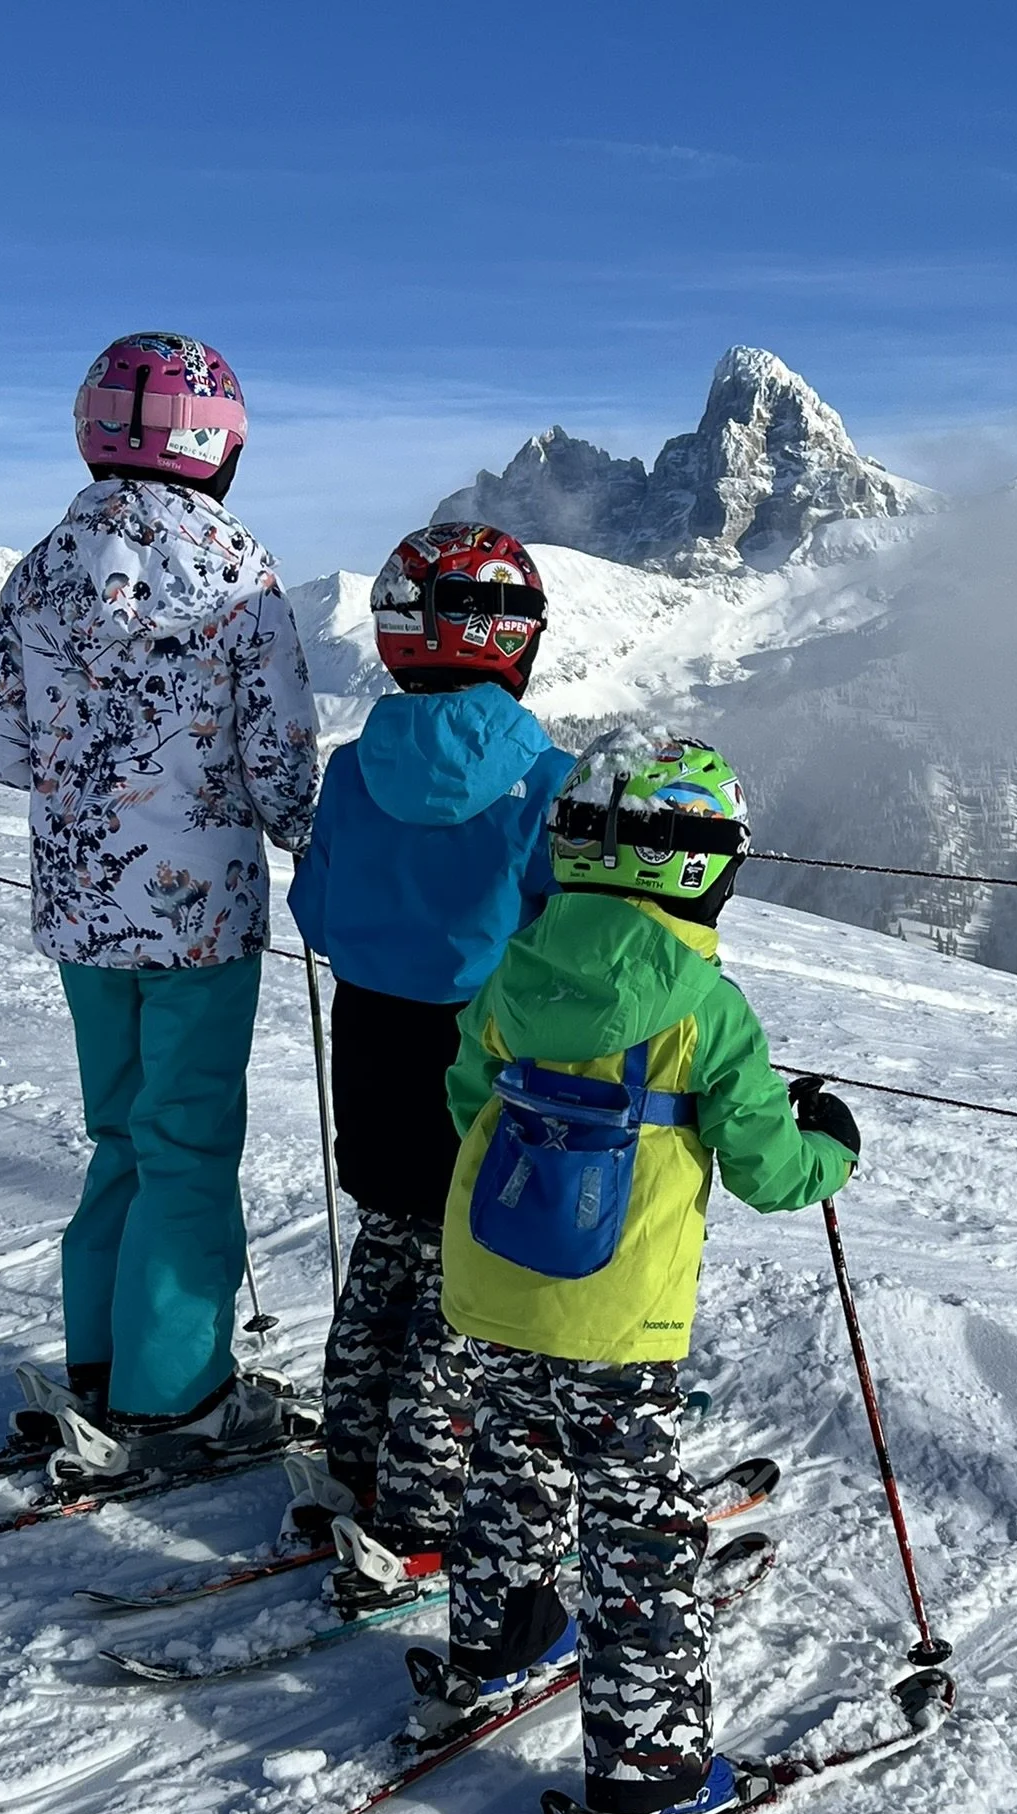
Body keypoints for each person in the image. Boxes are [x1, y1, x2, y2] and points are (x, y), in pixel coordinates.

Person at [409, 727, 861, 1814]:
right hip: (615, 1315)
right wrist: (831, 1148)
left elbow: (470, 1097)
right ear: (704, 864)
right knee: (636, 1522)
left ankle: (501, 1630)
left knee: (510, 1452)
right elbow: (768, 1167)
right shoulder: (705, 1006)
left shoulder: (516, 965)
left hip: (494, 1275)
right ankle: (647, 1762)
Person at [0, 332, 318, 1477]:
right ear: (216, 443)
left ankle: (97, 1358)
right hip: (201, 918)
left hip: (80, 909)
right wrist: (304, 834)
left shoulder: (40, 566)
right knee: (187, 1142)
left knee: (118, 1131)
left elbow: (3, 746)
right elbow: (279, 765)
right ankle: (173, 1395)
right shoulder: (240, 570)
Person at [284, 523, 572, 1608]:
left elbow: (314, 907)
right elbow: (562, 934)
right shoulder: (547, 779)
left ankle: (349, 1460)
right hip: (485, 1054)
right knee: (465, 1275)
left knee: (388, 1247)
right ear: (514, 638)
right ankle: (419, 1511)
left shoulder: (357, 770)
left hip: (370, 1035)